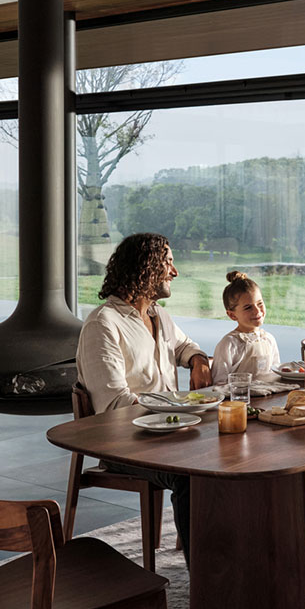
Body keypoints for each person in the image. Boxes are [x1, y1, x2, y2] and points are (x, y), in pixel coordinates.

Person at [75, 232, 212, 564]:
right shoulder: (102, 324)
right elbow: (113, 406)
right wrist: (178, 407)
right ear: (145, 267)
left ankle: (231, 558)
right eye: (168, 262)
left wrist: (198, 360)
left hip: (168, 433)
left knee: (230, 454)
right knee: (190, 475)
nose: (174, 272)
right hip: (123, 444)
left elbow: (184, 346)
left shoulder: (158, 315)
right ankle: (206, 582)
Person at [211, 271, 281, 385]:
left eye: (260, 303)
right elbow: (219, 384)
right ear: (232, 315)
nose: (257, 311)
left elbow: (276, 375)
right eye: (248, 307)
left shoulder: (269, 339)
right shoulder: (228, 344)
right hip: (239, 401)